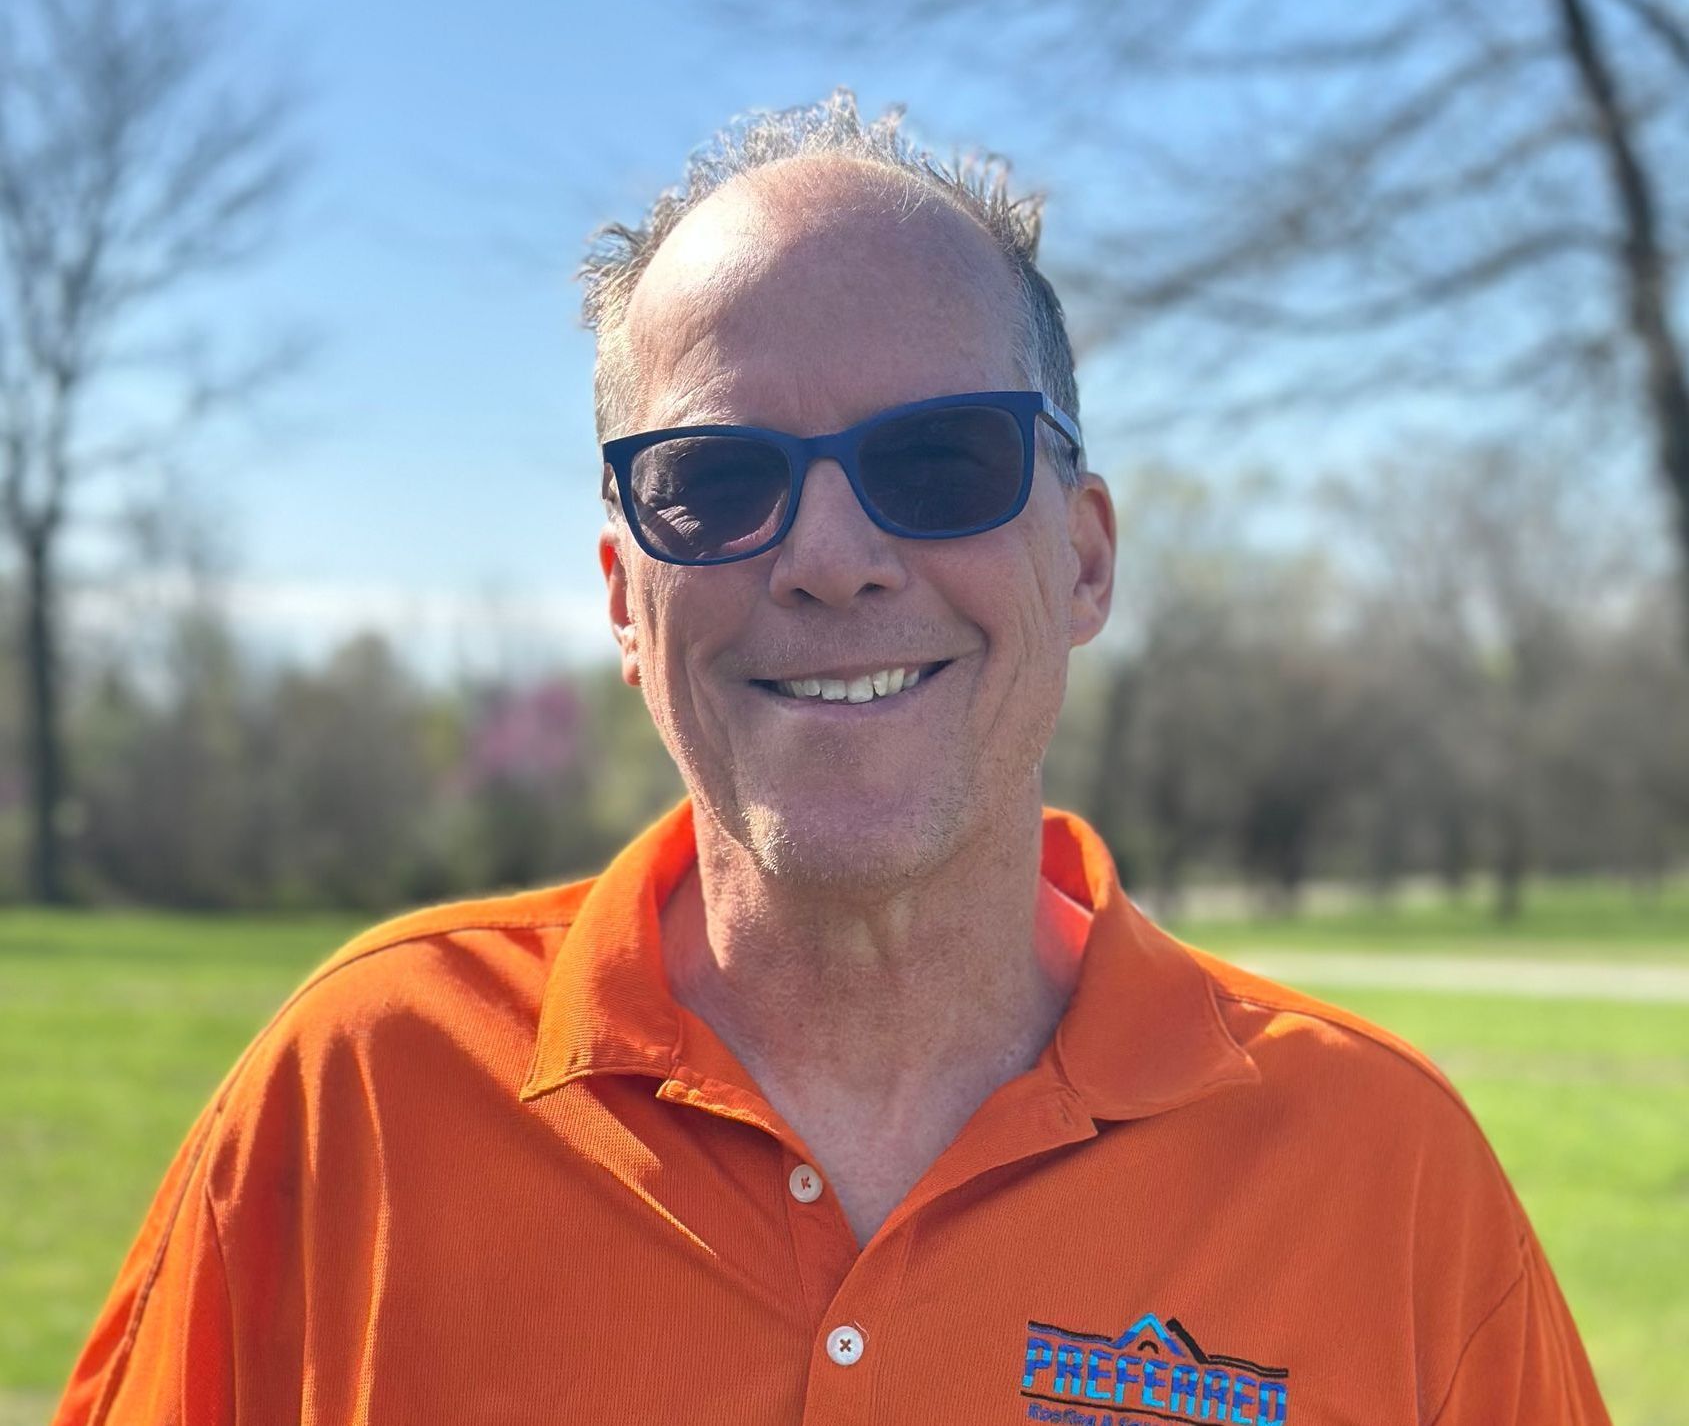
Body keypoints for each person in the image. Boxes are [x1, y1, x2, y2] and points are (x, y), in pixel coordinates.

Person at [54, 91, 1609, 1426]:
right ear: (622, 598)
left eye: (937, 460)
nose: (830, 555)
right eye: (715, 481)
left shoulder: (1379, 1172)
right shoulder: (359, 1096)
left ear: (1080, 561)